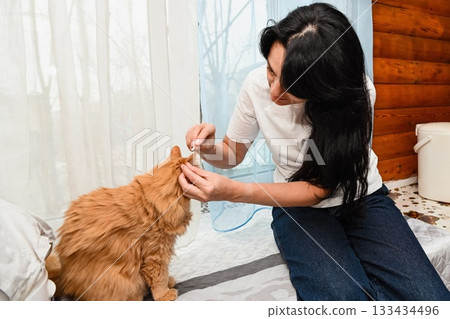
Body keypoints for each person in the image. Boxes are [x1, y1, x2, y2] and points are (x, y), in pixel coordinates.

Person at [178, 3, 450, 301]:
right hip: (297, 210)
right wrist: (208, 149)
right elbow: (231, 154)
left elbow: (320, 189)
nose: (272, 91)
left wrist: (233, 191)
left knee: (430, 298)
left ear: (327, 91)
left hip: (363, 198)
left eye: (291, 86)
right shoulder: (255, 85)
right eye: (271, 70)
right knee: (343, 298)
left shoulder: (358, 94)